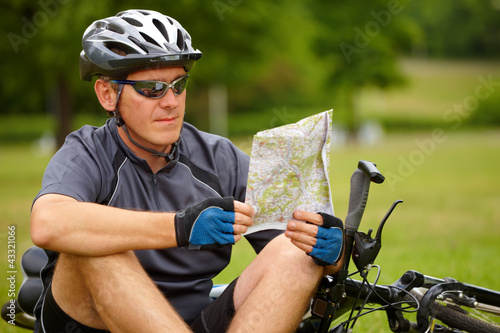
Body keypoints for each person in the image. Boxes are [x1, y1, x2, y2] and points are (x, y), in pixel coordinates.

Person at [30, 9, 344, 333]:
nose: (171, 101)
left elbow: (294, 242)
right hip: (91, 324)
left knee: (294, 251)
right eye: (152, 88)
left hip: (195, 321)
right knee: (95, 247)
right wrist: (181, 226)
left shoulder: (219, 157)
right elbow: (47, 223)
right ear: (108, 94)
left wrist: (331, 251)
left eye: (178, 85)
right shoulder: (86, 152)